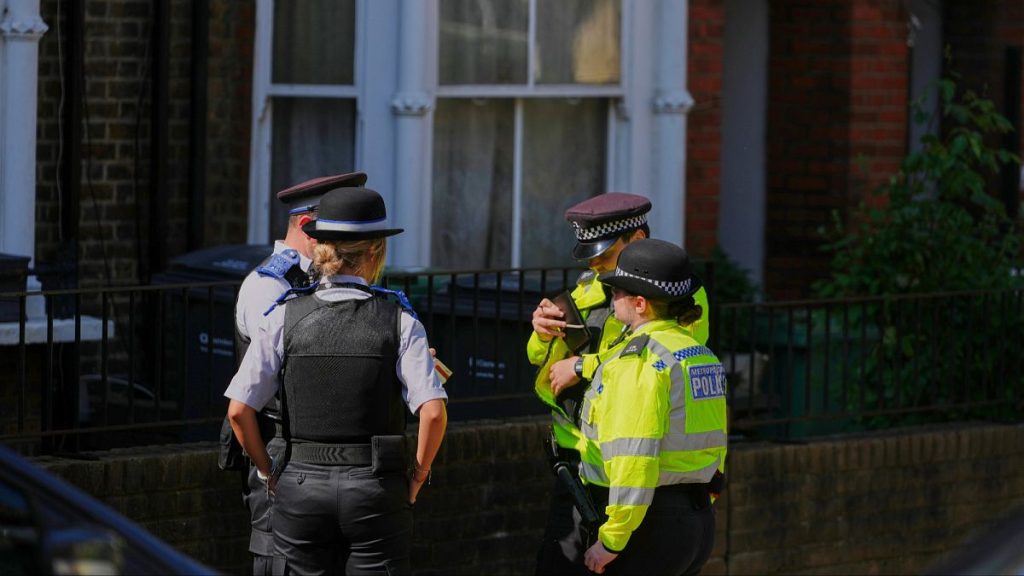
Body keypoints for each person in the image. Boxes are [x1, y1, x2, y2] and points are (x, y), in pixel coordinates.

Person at [226, 187, 448, 575]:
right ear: (376, 253)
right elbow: (433, 413)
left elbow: (239, 411)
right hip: (375, 489)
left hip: (299, 486)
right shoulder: (400, 320)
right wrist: (418, 476)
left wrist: (267, 472)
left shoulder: (283, 316)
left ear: (322, 248)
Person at [527, 193, 710, 575]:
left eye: (605, 254)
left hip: (623, 477)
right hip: (577, 462)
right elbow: (542, 360)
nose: (595, 265)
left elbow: (655, 356)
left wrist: (583, 366)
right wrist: (542, 335)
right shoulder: (589, 287)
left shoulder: (677, 292)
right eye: (590, 256)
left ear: (637, 239)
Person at [219, 171, 367, 575]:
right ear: (307, 226)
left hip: (322, 459)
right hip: (278, 452)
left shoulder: (327, 278)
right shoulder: (268, 286)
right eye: (336, 227)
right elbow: (274, 382)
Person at [580, 239, 727, 575]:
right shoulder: (699, 354)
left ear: (641, 303)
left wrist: (612, 540)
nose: (613, 297)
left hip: (648, 526)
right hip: (697, 521)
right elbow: (718, 445)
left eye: (618, 291)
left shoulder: (640, 361)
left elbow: (635, 456)